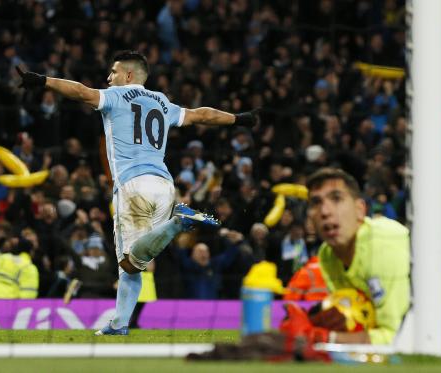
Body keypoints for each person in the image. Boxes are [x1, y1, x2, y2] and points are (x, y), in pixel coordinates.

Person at [16, 50, 259, 335]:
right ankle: (119, 324)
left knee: (129, 262)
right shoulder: (163, 102)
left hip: (133, 187)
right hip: (165, 186)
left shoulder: (116, 97)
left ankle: (179, 221)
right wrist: (239, 119)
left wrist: (43, 80)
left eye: (113, 72)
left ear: (128, 75)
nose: (108, 78)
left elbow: (81, 92)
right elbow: (202, 115)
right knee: (136, 264)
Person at [303, 167, 441, 350]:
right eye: (316, 202)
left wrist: (323, 338)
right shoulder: (328, 255)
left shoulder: (380, 244)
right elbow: (360, 321)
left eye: (336, 199)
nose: (325, 211)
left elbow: (395, 338)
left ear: (360, 210)